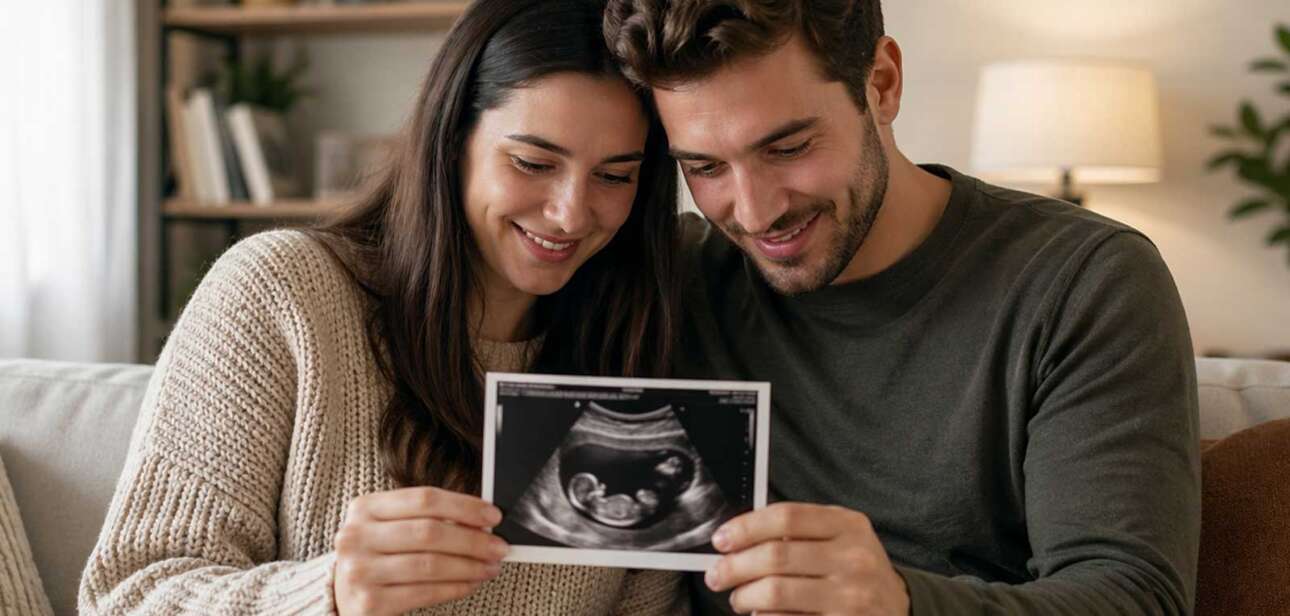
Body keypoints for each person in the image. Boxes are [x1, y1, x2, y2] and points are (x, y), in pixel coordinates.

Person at [78, 0, 685, 614]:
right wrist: (326, 592)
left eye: (614, 177)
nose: (571, 213)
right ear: (452, 143)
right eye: (533, 163)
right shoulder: (283, 292)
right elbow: (128, 597)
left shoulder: (638, 341)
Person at [604, 1, 1200, 615]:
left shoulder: (1080, 281)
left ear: (882, 85)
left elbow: (1134, 597)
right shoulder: (671, 282)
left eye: (788, 148)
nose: (753, 212)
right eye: (705, 167)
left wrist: (901, 603)